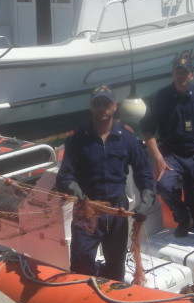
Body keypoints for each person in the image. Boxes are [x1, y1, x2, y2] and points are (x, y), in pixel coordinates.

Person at [55, 85, 155, 281]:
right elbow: (64, 176)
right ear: (90, 107)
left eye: (106, 104)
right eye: (97, 103)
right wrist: (75, 189)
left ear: (114, 106)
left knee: (116, 269)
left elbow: (144, 174)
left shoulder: (126, 138)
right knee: (80, 264)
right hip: (87, 209)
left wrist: (147, 199)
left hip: (117, 211)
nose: (102, 108)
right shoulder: (77, 139)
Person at [141, 55, 194, 237]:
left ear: (192, 75)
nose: (181, 76)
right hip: (170, 153)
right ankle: (182, 215)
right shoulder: (160, 97)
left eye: (184, 73)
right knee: (164, 186)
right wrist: (158, 158)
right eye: (177, 72)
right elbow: (147, 130)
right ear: (172, 74)